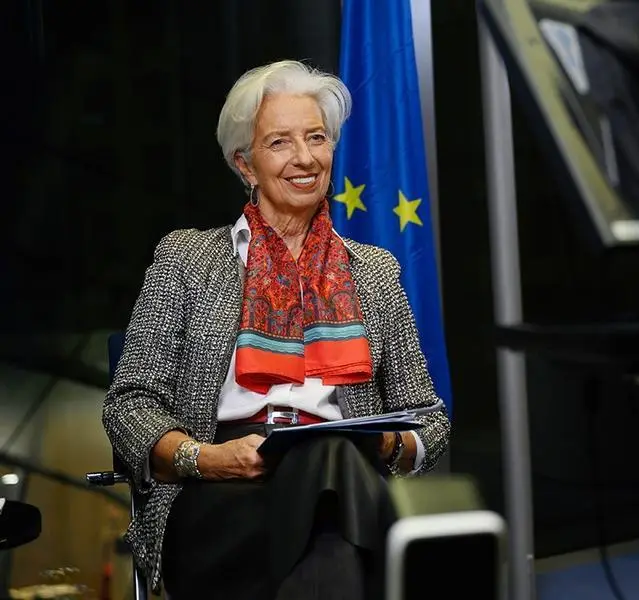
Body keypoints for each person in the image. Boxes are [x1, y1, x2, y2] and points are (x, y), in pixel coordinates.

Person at [102, 60, 450, 600]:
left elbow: (429, 419)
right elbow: (128, 405)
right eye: (280, 142)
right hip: (222, 495)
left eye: (317, 138)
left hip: (348, 482)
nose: (305, 158)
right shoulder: (188, 259)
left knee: (332, 459)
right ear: (245, 164)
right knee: (344, 524)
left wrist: (385, 444)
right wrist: (207, 459)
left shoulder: (374, 272)